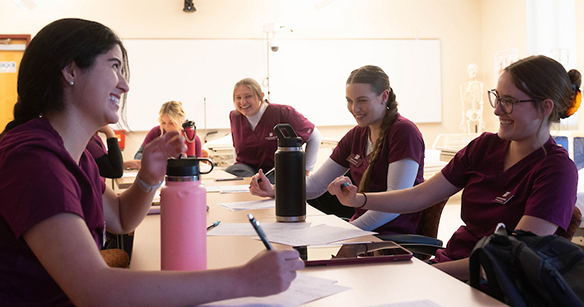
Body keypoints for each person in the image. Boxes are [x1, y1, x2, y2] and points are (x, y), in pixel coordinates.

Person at [0, 18, 303, 307]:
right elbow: (96, 292)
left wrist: (148, 174)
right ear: (70, 70)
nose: (125, 85)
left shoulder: (73, 154)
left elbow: (122, 218)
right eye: (114, 67)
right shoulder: (33, 160)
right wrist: (244, 280)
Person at [328, 55, 581, 281]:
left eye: (509, 101)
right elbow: (420, 196)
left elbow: (510, 259)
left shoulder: (557, 170)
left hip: (491, 284)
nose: (496, 109)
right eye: (497, 97)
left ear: (546, 107)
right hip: (449, 268)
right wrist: (360, 199)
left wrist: (427, 273)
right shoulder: (484, 146)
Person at [250, 65, 425, 234]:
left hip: (392, 238)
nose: (354, 109)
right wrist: (274, 190)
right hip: (361, 232)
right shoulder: (357, 135)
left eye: (362, 100)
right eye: (349, 101)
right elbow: (318, 184)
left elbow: (394, 205)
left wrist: (348, 232)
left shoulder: (404, 133)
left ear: (384, 96)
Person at [226, 78, 321, 179]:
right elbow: (236, 146)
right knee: (230, 176)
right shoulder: (235, 116)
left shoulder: (282, 112)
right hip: (246, 169)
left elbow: (315, 136)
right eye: (238, 98)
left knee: (267, 184)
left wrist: (305, 171)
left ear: (261, 96)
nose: (243, 102)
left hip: (277, 170)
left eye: (248, 96)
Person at [134, 101, 202, 160]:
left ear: (181, 120)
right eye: (163, 123)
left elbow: (200, 165)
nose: (167, 128)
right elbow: (138, 155)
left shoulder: (192, 139)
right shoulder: (156, 133)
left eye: (171, 123)